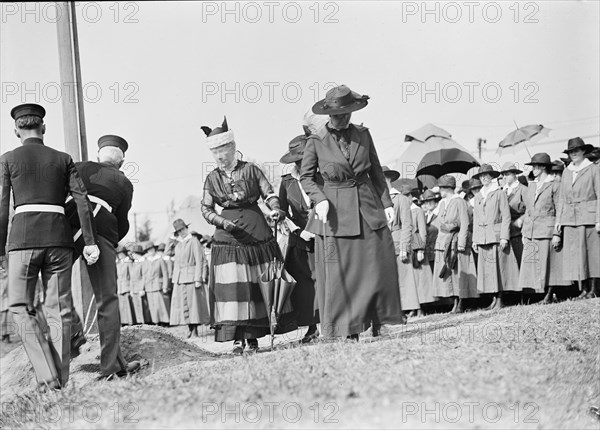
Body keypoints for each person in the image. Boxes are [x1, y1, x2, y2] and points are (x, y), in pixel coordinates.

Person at [0, 103, 99, 390]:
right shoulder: (64, 158)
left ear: (16, 130)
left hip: (22, 241)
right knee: (60, 308)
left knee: (19, 307)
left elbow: (2, 208)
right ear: (43, 128)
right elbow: (82, 201)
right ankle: (62, 378)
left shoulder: (7, 159)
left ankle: (47, 376)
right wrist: (90, 241)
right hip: (59, 240)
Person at [300, 85, 404, 339]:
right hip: (336, 213)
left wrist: (387, 204)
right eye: (337, 115)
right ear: (328, 115)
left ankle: (380, 322)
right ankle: (349, 329)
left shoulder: (363, 135)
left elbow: (377, 172)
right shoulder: (316, 141)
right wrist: (320, 199)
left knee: (378, 264)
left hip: (367, 206)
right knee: (343, 273)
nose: (342, 119)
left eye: (346, 114)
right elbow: (306, 177)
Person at [201, 118, 295, 354]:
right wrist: (222, 222)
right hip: (227, 238)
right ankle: (236, 339)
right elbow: (206, 209)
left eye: (224, 150)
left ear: (233, 148)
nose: (221, 156)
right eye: (216, 152)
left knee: (255, 286)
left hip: (257, 233)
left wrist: (275, 209)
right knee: (232, 288)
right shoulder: (211, 178)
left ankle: (253, 339)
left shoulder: (251, 169)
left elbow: (269, 194)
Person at [66, 134, 140, 379]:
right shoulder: (123, 181)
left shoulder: (78, 166)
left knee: (55, 286)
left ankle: (74, 332)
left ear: (98, 155)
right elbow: (122, 222)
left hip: (67, 223)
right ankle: (110, 366)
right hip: (101, 233)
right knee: (107, 299)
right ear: (121, 161)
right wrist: (112, 238)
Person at [279, 133, 319, 343]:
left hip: (323, 235)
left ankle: (334, 322)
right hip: (300, 239)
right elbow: (282, 213)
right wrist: (298, 231)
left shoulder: (321, 176)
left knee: (325, 279)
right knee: (306, 285)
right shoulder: (286, 182)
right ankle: (312, 328)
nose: (302, 163)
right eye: (299, 160)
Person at [518, 153, 571, 302]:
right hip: (531, 230)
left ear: (543, 167)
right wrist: (524, 232)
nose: (533, 169)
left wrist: (557, 233)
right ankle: (541, 294)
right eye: (533, 166)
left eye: (536, 166)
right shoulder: (532, 185)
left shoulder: (554, 185)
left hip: (546, 229)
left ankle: (549, 294)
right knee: (535, 264)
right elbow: (528, 209)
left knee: (549, 264)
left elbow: (559, 209)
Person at [556, 137, 600, 298]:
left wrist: (598, 219)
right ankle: (584, 289)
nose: (574, 154)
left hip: (588, 215)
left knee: (592, 253)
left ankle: (594, 289)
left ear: (583, 151)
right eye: (571, 152)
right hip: (570, 218)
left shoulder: (593, 168)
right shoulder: (567, 171)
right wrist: (559, 221)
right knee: (576, 254)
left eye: (576, 151)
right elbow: (561, 198)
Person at [472, 164, 521, 309]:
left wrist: (505, 236)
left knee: (500, 268)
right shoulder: (478, 196)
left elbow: (506, 216)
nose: (483, 178)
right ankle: (493, 298)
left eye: (486, 175)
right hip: (483, 237)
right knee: (488, 270)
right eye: (481, 176)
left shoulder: (499, 193)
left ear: (492, 177)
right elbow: (476, 219)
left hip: (496, 234)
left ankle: (500, 298)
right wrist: (475, 239)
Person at [431, 175, 478, 313]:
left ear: (447, 188)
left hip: (456, 239)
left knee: (459, 272)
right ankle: (455, 302)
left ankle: (463, 302)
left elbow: (465, 223)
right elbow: (438, 223)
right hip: (444, 239)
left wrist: (462, 242)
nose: (439, 191)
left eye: (441, 188)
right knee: (449, 273)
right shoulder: (442, 203)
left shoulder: (459, 202)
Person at [169, 219, 210, 338]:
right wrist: (171, 238)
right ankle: (189, 328)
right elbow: (167, 252)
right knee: (184, 305)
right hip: (180, 278)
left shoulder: (193, 241)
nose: (181, 232)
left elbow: (200, 260)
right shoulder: (178, 244)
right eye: (178, 231)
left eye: (182, 229)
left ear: (186, 228)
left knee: (193, 305)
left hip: (192, 277)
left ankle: (195, 329)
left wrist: (198, 278)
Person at [381, 168, 413, 321]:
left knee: (400, 279)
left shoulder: (400, 199)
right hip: (381, 244)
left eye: (384, 179)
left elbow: (407, 224)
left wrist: (404, 247)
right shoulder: (375, 198)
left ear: (389, 179)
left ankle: (401, 312)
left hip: (397, 240)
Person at [500, 163, 526, 267]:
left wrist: (521, 220)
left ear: (515, 174)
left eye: (507, 174)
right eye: (504, 174)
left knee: (520, 261)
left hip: (519, 232)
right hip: (505, 232)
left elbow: (531, 210)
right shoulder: (502, 191)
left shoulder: (523, 189)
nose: (505, 177)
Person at [142, 241, 170, 326]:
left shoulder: (160, 260)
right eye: (148, 250)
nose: (150, 252)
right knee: (152, 306)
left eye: (152, 250)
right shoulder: (146, 261)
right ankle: (155, 322)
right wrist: (142, 288)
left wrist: (165, 286)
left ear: (154, 250)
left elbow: (165, 274)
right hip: (149, 286)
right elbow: (144, 275)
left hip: (158, 285)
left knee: (160, 305)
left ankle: (164, 321)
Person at [420, 190, 441, 274]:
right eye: (426, 201)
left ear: (435, 202)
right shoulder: (424, 217)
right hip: (428, 251)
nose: (428, 203)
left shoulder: (439, 214)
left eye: (430, 201)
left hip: (437, 250)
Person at [128, 244, 149, 324]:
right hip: (135, 288)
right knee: (137, 306)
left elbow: (144, 276)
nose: (132, 256)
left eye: (133, 254)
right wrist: (131, 289)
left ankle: (144, 323)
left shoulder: (143, 262)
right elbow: (132, 278)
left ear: (137, 253)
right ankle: (140, 322)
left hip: (140, 287)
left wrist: (142, 288)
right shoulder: (135, 263)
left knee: (143, 307)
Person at [117, 245, 135, 326]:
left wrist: (132, 289)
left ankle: (130, 321)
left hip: (127, 286)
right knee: (121, 305)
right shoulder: (118, 263)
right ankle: (123, 321)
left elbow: (132, 276)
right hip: (120, 287)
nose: (120, 255)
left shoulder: (129, 262)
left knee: (128, 305)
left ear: (124, 253)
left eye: (121, 253)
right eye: (118, 253)